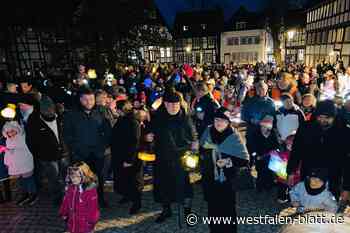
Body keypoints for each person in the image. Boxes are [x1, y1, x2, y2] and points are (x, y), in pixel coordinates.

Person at [147, 90, 198, 223]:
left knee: (184, 185)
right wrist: (149, 137)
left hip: (181, 157)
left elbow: (193, 135)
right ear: (164, 104)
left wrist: (194, 148)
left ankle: (187, 211)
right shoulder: (158, 117)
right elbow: (150, 133)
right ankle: (166, 210)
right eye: (170, 104)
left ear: (179, 104)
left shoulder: (185, 117)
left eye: (175, 104)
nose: (173, 107)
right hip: (163, 157)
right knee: (163, 185)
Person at [287, 100, 350, 200]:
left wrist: (347, 187)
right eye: (320, 117)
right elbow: (296, 150)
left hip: (332, 178)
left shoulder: (344, 132)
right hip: (309, 173)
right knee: (307, 203)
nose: (323, 120)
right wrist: (291, 171)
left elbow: (348, 161)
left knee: (328, 209)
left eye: (327, 118)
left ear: (334, 116)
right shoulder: (305, 127)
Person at [200, 107, 249, 233]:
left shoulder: (234, 136)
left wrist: (228, 161)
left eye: (222, 120)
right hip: (210, 177)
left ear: (228, 122)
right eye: (216, 119)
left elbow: (245, 160)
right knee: (212, 208)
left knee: (227, 209)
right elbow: (201, 150)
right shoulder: (208, 131)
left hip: (228, 180)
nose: (218, 122)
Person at [63, 88, 111, 207]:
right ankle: (84, 201)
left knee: (98, 177)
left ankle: (99, 199)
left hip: (97, 153)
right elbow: (67, 134)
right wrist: (75, 149)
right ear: (80, 100)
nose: (89, 102)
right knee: (82, 179)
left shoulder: (100, 113)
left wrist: (103, 146)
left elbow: (107, 131)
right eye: (85, 99)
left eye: (91, 99)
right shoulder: (72, 114)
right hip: (81, 154)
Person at [27, 95, 64, 205]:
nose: (49, 111)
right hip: (47, 156)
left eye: (51, 108)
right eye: (46, 109)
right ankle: (58, 200)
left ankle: (67, 197)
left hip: (63, 153)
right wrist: (39, 154)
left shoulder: (60, 116)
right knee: (54, 179)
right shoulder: (34, 120)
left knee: (65, 177)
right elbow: (30, 140)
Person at [111, 100, 143, 215]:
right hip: (121, 155)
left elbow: (134, 141)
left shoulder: (132, 121)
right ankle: (127, 196)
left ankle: (137, 203)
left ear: (121, 110)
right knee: (125, 179)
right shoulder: (123, 119)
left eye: (116, 109)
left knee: (133, 181)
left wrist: (129, 159)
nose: (114, 111)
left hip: (131, 157)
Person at [2, 121, 38, 206]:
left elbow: (25, 149)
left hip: (25, 163)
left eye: (12, 131)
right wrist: (6, 162)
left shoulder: (22, 137)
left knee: (29, 180)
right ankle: (25, 194)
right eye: (8, 132)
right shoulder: (8, 140)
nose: (11, 133)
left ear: (16, 130)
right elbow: (7, 152)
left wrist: (12, 150)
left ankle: (33, 194)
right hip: (16, 165)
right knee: (21, 181)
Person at [59, 162, 100, 233]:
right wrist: (64, 212)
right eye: (72, 176)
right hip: (72, 221)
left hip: (85, 224)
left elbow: (93, 209)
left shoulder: (90, 191)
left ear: (84, 176)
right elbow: (66, 201)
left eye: (78, 176)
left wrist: (91, 222)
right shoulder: (70, 187)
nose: (74, 179)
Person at [241, 81, 276, 162]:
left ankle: (261, 162)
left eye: (263, 89)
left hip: (264, 130)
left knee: (262, 149)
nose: (260, 91)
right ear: (256, 90)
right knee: (250, 147)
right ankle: (249, 162)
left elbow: (273, 116)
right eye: (258, 89)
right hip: (252, 129)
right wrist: (250, 119)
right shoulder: (249, 101)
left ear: (266, 90)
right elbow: (243, 115)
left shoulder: (270, 102)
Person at [249, 115, 279, 192]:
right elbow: (252, 145)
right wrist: (255, 154)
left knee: (269, 171)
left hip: (270, 156)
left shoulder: (273, 134)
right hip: (260, 156)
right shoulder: (256, 134)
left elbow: (276, 145)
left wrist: (275, 150)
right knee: (260, 171)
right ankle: (260, 186)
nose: (264, 128)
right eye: (263, 126)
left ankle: (269, 185)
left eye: (266, 126)